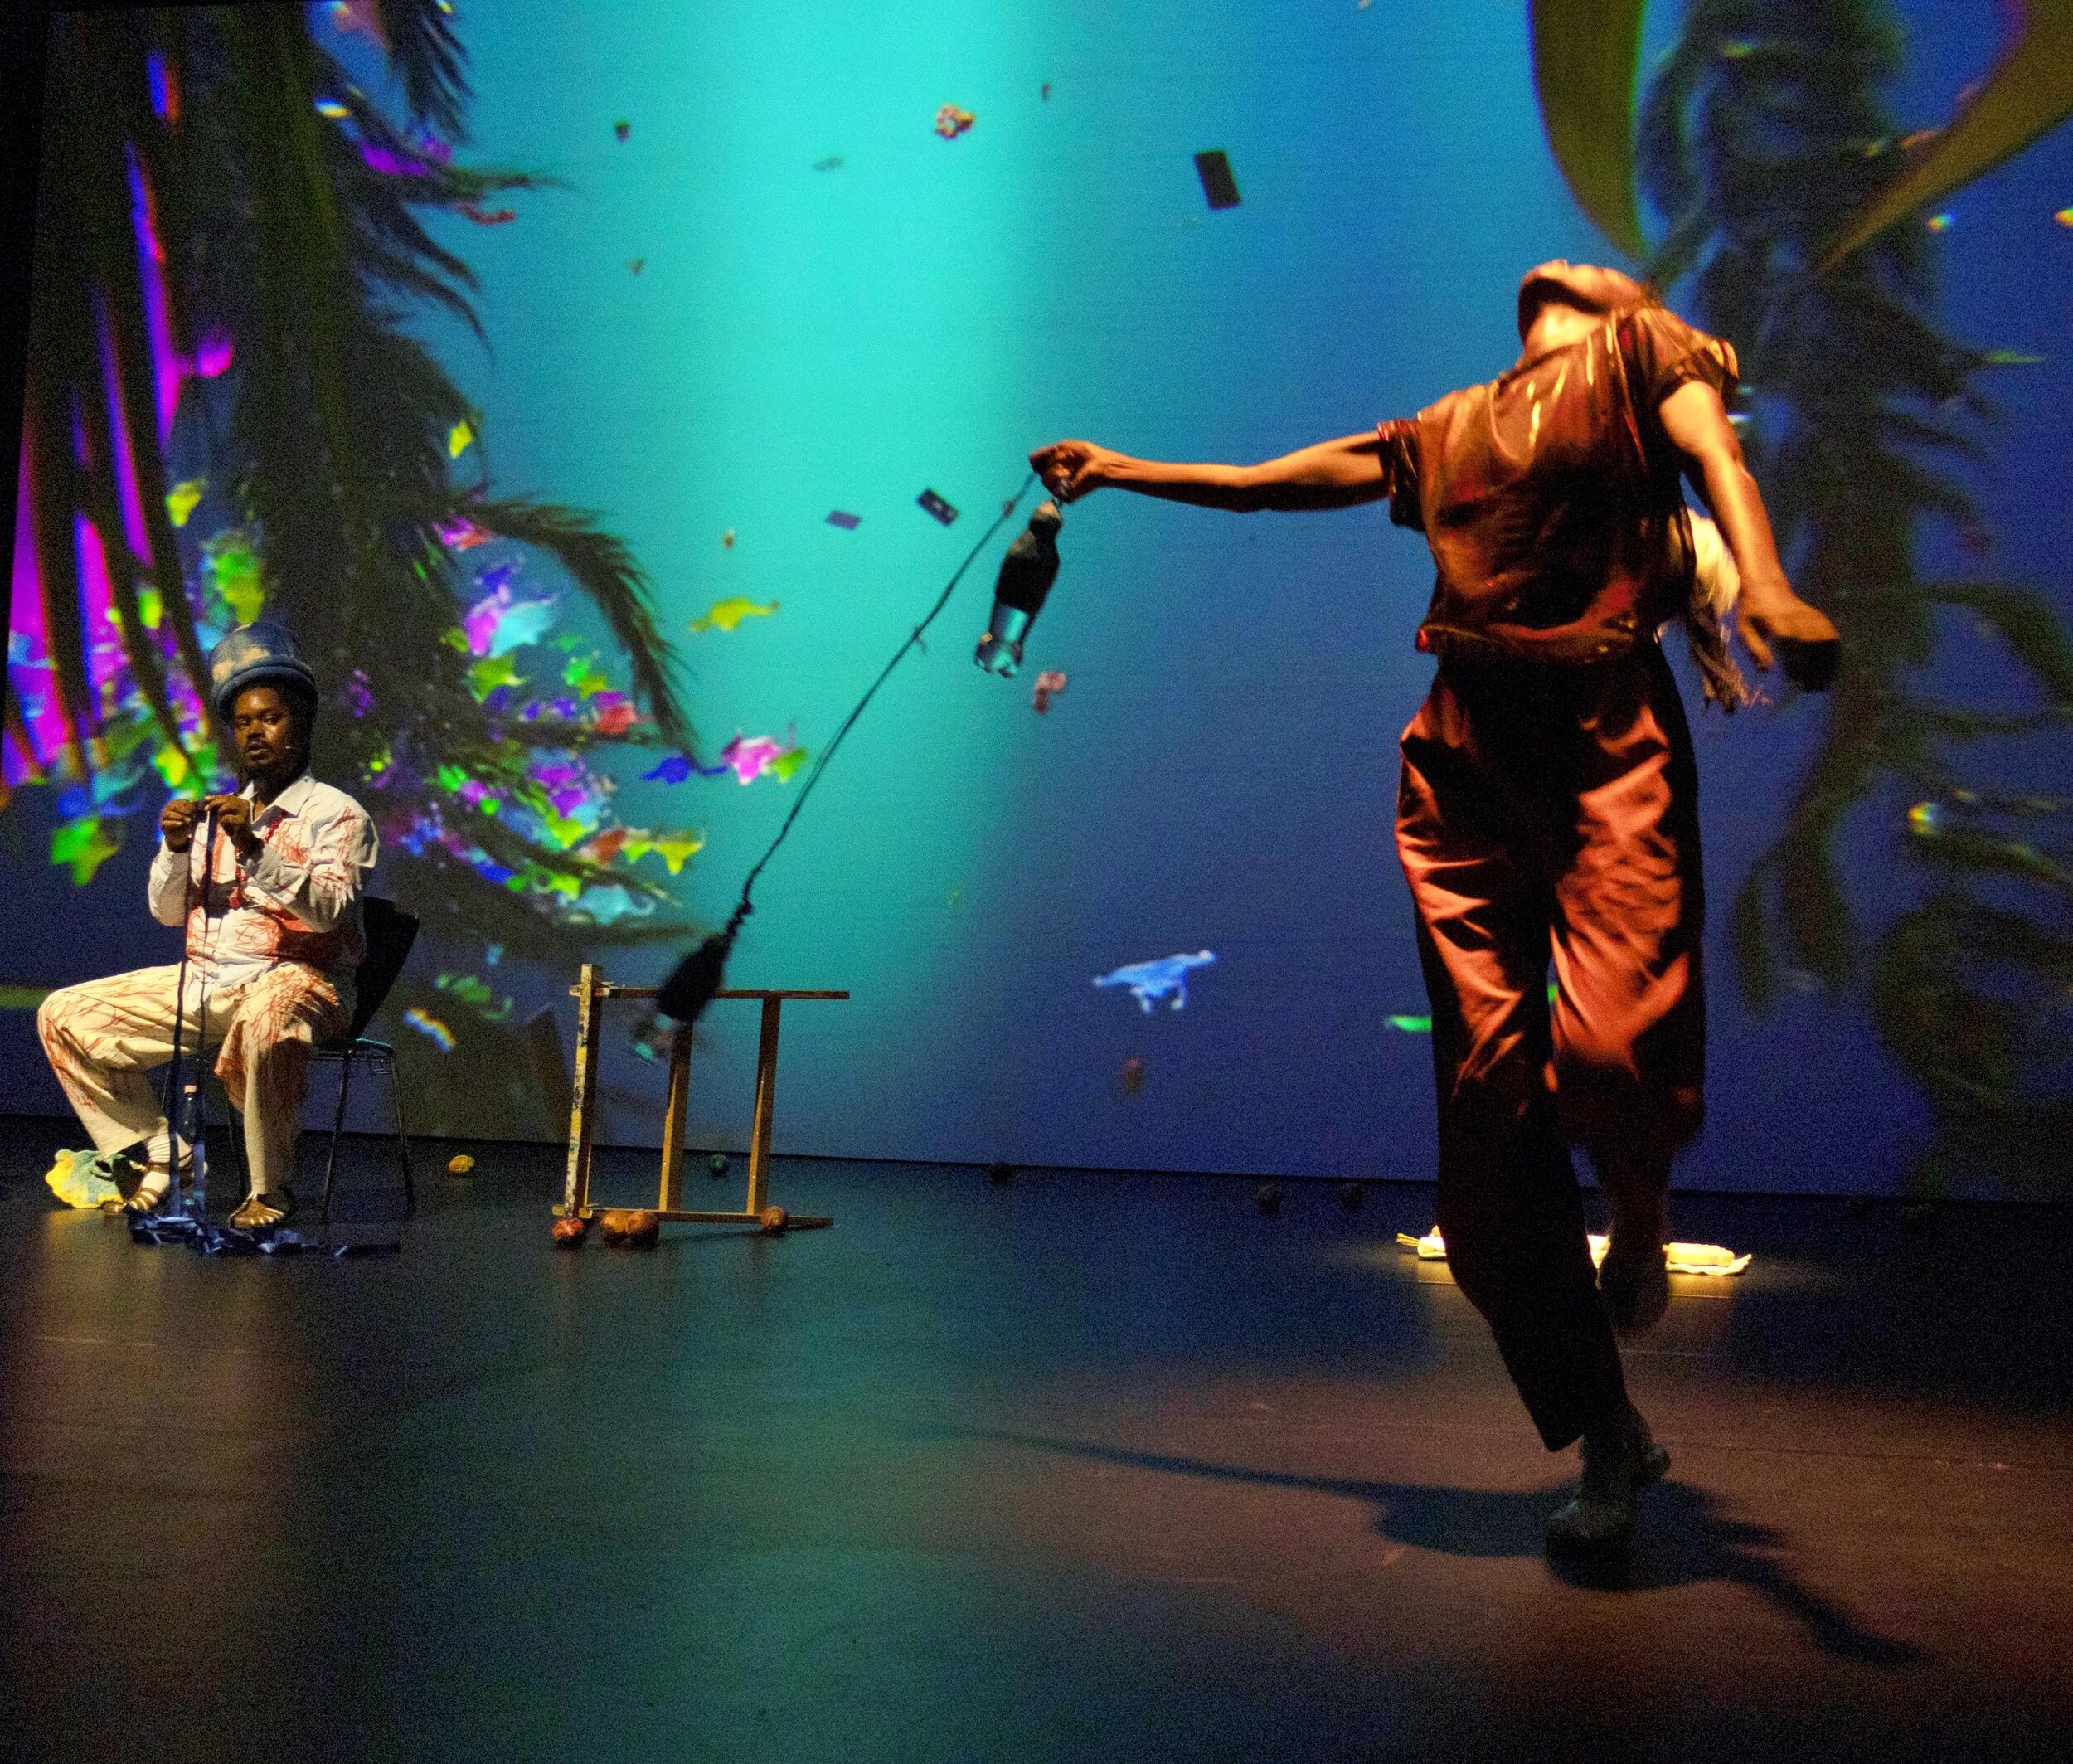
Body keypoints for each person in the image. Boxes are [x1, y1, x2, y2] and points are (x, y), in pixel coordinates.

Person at [1030, 261, 1838, 1552]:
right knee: (1486, 1157)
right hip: (1464, 753)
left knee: (1613, 1043)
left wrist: (1773, 582)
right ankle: (1608, 1434)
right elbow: (1280, 481)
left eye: (1586, 270)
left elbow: (1715, 465)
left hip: (1605, 736)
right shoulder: (1450, 424)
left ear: (1624, 309)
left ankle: (1640, 1214)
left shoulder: (1644, 363)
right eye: (1542, 273)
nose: (1554, 269)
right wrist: (1123, 469)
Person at [36, 620, 379, 1230]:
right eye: (244, 722)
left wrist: (253, 846)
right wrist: (173, 848)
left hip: (301, 981)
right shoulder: (215, 812)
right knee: (63, 1014)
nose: (255, 732)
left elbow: (330, 909)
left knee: (268, 1011)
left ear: (299, 723)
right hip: (207, 983)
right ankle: (169, 1154)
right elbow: (167, 912)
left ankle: (268, 1189)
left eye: (270, 718)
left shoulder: (336, 814)